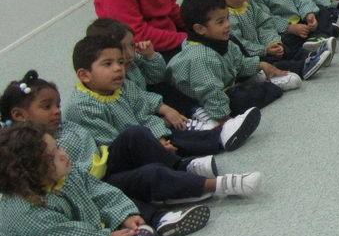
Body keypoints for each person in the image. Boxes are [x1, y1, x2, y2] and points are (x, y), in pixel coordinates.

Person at [0, 122, 210, 236]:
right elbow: (62, 235)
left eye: (59, 147)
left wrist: (126, 214)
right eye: (53, 156)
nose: (63, 155)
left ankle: (150, 223)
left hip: (85, 228)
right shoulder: (22, 208)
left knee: (121, 197)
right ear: (29, 173)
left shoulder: (66, 172)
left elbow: (99, 191)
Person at [1, 71, 261, 203]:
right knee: (150, 174)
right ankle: (219, 186)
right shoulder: (32, 151)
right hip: (94, 184)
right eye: (47, 107)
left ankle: (199, 154)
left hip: (103, 162)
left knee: (135, 134)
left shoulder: (65, 128)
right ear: (20, 115)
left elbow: (100, 143)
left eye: (57, 104)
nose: (57, 111)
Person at [63, 35, 260, 157]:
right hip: (124, 153)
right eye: (108, 64)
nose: (118, 68)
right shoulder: (83, 107)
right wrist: (156, 140)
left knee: (173, 133)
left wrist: (159, 129)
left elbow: (144, 108)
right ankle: (217, 138)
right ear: (84, 75)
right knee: (171, 146)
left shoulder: (119, 86)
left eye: (120, 62)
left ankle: (217, 134)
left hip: (145, 135)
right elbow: (117, 144)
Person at [168, 0, 287, 121]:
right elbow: (211, 92)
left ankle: (269, 81)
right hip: (198, 101)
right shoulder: (200, 57)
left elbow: (237, 64)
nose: (227, 24)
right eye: (220, 22)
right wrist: (225, 120)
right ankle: (272, 85)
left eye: (227, 18)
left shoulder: (220, 40)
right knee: (240, 100)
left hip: (224, 88)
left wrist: (260, 64)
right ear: (200, 29)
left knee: (251, 85)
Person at [202, 0, 330, 80]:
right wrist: (264, 49)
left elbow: (265, 24)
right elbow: (240, 44)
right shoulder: (225, 17)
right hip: (251, 57)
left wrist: (273, 42)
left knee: (286, 47)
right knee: (273, 62)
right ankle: (302, 67)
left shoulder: (250, 3)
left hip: (266, 47)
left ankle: (313, 55)